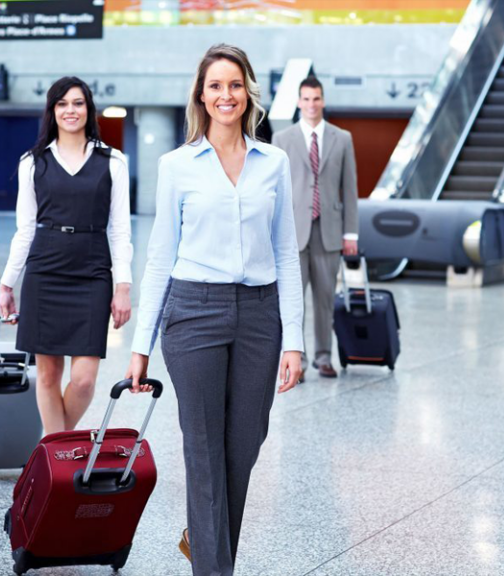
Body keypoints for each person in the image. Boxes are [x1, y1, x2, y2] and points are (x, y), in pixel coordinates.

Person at [126, 44, 303, 576]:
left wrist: (292, 337)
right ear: (200, 96)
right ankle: (213, 566)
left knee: (244, 443)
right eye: (215, 86)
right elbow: (160, 256)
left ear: (248, 91)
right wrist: (140, 345)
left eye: (234, 85)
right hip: (193, 313)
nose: (225, 95)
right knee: (202, 447)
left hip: (258, 315)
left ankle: (201, 538)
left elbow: (285, 252)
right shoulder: (177, 165)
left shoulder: (274, 163)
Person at [0, 76, 133, 435]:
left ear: (89, 109)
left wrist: (123, 285)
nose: (70, 110)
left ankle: (51, 451)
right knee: (47, 375)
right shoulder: (33, 162)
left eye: (77, 103)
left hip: (92, 270)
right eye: (62, 104)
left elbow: (120, 231)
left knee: (85, 380)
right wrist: (7, 282)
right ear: (52, 111)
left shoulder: (113, 162)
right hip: (46, 269)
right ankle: (58, 461)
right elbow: (25, 228)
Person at [272, 75, 358, 380]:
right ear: (298, 101)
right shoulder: (282, 139)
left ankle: (324, 357)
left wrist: (351, 233)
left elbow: (349, 188)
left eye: (316, 98)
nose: (311, 104)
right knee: (294, 301)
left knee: (324, 300)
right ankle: (299, 360)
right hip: (292, 232)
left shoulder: (342, 138)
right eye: (306, 99)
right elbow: (276, 191)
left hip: (330, 232)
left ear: (323, 100)